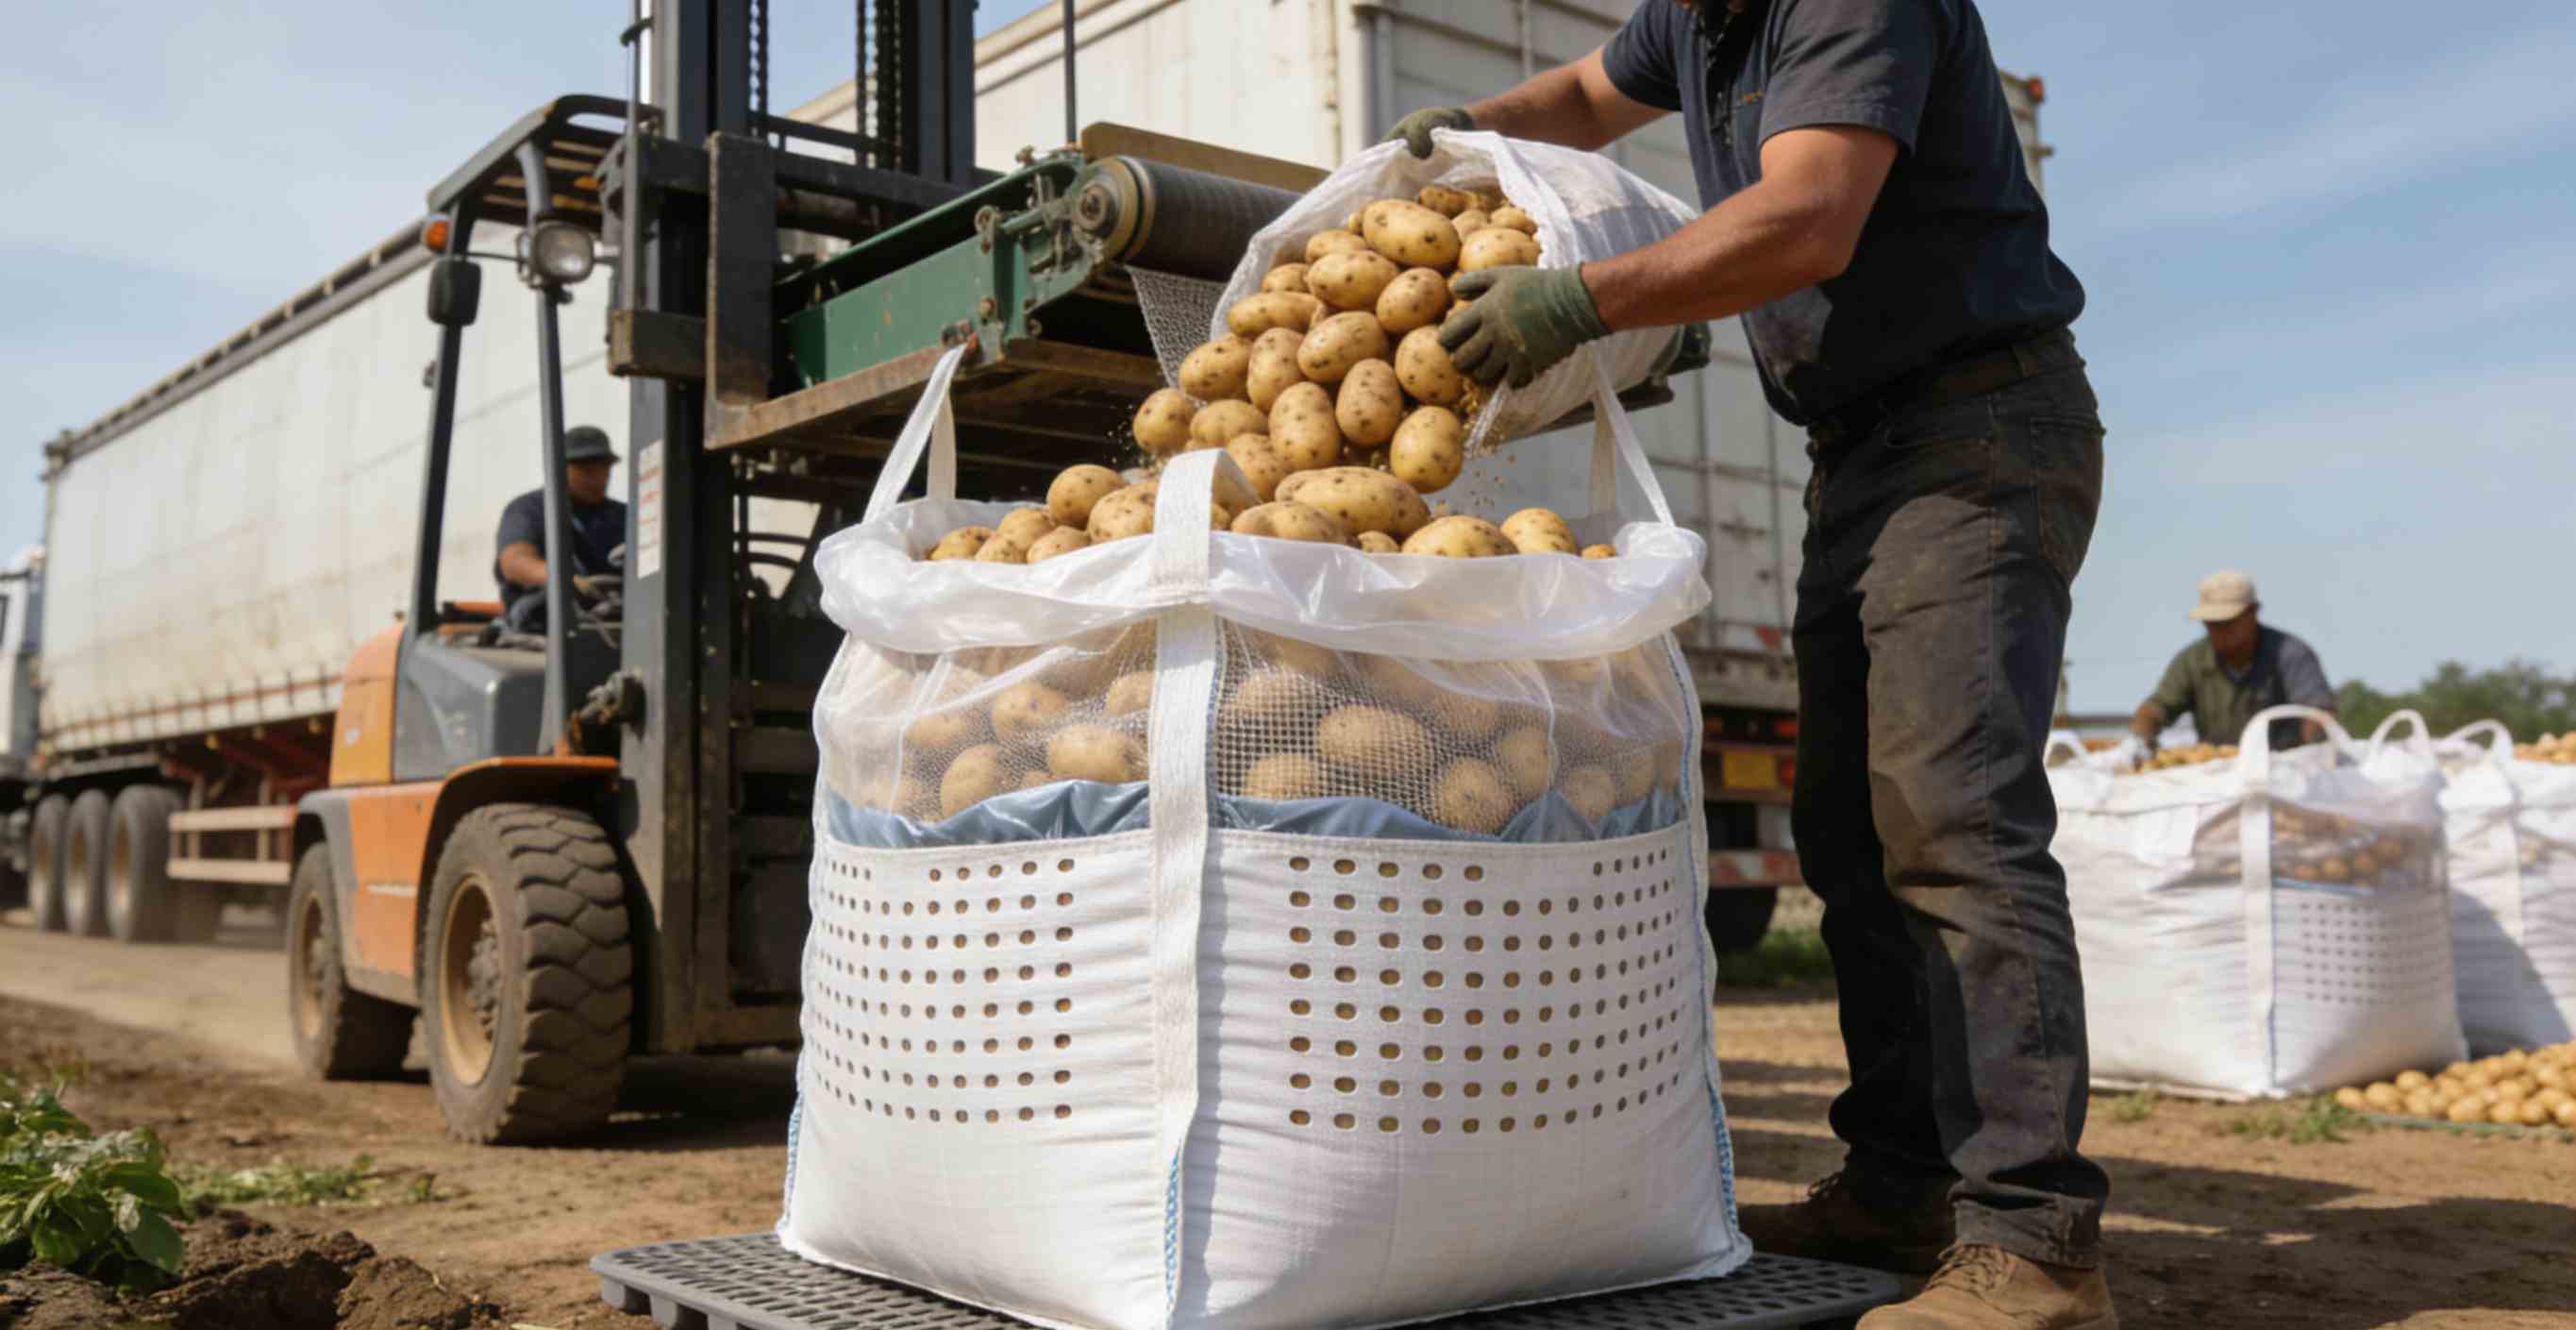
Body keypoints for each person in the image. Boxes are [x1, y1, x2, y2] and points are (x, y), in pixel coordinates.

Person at [1388, 3, 2113, 1326]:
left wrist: (1575, 299)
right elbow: (1581, 97)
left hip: (1975, 429)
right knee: (1849, 835)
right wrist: (1456, 140)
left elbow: (1806, 217)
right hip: (1864, 454)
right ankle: (1902, 1185)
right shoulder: (1700, 17)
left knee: (1952, 825)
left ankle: (2036, 1245)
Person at [2131, 571, 2334, 752]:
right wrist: (2143, 739)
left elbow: (2318, 713)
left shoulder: (2290, 654)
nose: (2218, 631)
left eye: (2227, 622)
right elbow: (2156, 708)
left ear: (2253, 613)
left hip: (2283, 776)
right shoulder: (2192, 661)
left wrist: (2312, 753)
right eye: (2211, 624)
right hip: (2217, 776)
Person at [494, 426, 626, 631]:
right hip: (548, 613)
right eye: (587, 470)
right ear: (559, 468)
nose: (599, 478)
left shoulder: (623, 514)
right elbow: (514, 562)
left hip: (614, 611)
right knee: (550, 602)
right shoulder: (531, 508)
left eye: (605, 469)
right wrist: (569, 581)